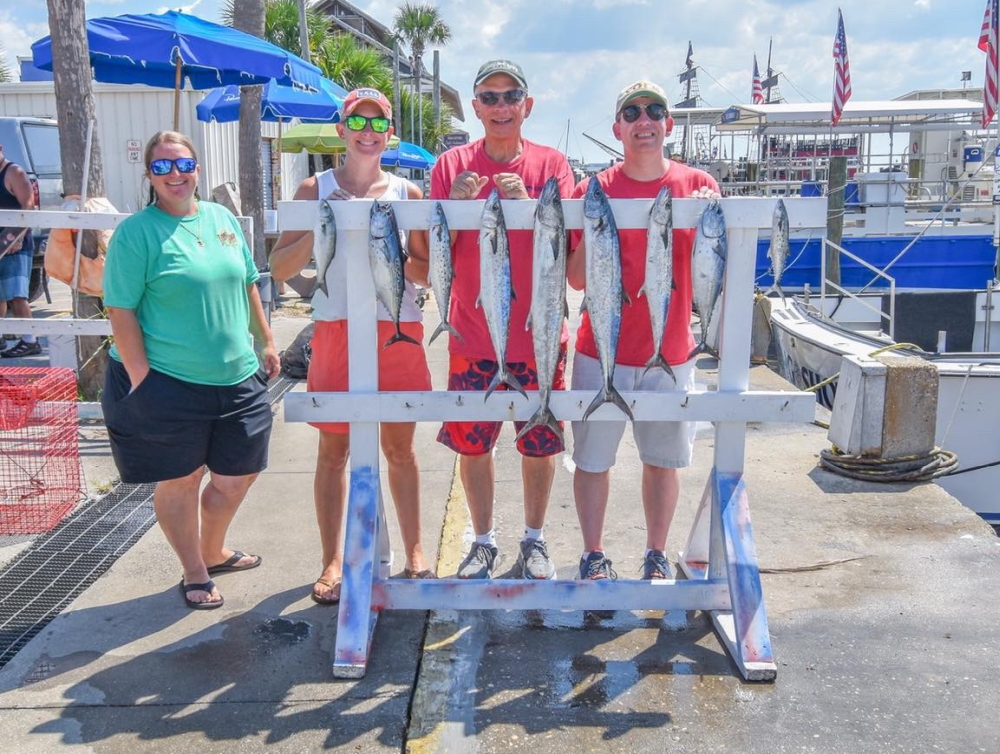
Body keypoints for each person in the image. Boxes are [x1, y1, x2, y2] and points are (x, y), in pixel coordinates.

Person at [269, 88, 436, 606]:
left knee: (400, 449)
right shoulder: (311, 187)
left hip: (397, 326)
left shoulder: (408, 194)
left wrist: (383, 237)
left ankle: (415, 551)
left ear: (391, 134)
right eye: (357, 120)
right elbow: (279, 268)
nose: (367, 130)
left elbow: (427, 271)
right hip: (336, 326)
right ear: (340, 130)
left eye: (377, 122)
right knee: (332, 452)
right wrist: (331, 223)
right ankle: (332, 559)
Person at [102, 130, 279, 610]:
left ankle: (214, 548)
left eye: (183, 164)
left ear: (197, 168)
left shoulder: (222, 218)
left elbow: (247, 283)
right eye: (162, 167)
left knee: (237, 474)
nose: (175, 175)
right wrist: (142, 379)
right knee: (181, 478)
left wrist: (264, 339)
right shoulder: (137, 232)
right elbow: (120, 310)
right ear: (149, 176)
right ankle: (195, 569)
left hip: (237, 374)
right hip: (169, 379)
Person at [566, 81, 721, 582]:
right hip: (600, 349)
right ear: (618, 128)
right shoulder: (592, 190)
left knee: (662, 461)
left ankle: (656, 553)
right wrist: (594, 228)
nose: (644, 120)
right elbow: (574, 278)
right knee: (593, 460)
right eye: (631, 112)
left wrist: (705, 210)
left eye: (655, 110)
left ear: (668, 125)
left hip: (672, 352)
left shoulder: (698, 185)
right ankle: (594, 555)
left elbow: (713, 269)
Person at [432, 59, 575, 580]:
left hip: (538, 336)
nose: (500, 106)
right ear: (475, 107)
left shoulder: (553, 164)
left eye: (510, 95)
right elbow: (431, 252)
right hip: (472, 337)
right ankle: (484, 539)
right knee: (474, 444)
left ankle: (534, 539)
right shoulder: (449, 166)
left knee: (539, 442)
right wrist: (455, 206)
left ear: (526, 105)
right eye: (489, 97)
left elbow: (569, 246)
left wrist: (530, 205)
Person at [0, 142, 41, 358]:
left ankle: (30, 340)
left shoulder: (13, 172)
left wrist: (17, 237)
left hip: (16, 244)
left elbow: (28, 206)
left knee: (17, 295)